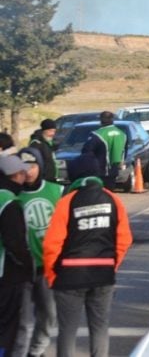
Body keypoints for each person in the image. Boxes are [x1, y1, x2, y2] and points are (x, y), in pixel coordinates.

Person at [43, 152, 133, 357]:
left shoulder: (67, 201)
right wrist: (112, 264)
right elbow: (124, 238)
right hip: (102, 274)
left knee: (67, 330)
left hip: (69, 275)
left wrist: (51, 274)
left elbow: (52, 243)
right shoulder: (112, 199)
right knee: (100, 327)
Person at [13, 148, 64, 357]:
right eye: (24, 168)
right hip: (22, 267)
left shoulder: (57, 191)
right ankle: (22, 351)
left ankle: (37, 350)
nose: (29, 172)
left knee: (48, 314)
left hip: (48, 266)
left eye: (33, 166)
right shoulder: (13, 195)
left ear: (40, 167)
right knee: (22, 319)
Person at [0, 155, 34, 357]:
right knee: (7, 327)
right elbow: (16, 244)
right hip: (7, 275)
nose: (25, 176)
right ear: (14, 175)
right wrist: (28, 266)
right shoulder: (9, 203)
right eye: (22, 172)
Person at [81, 111, 127, 191]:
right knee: (110, 193)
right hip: (114, 170)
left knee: (99, 195)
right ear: (112, 119)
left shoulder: (97, 134)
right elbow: (124, 151)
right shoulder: (122, 134)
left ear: (101, 120)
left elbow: (86, 151)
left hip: (100, 171)